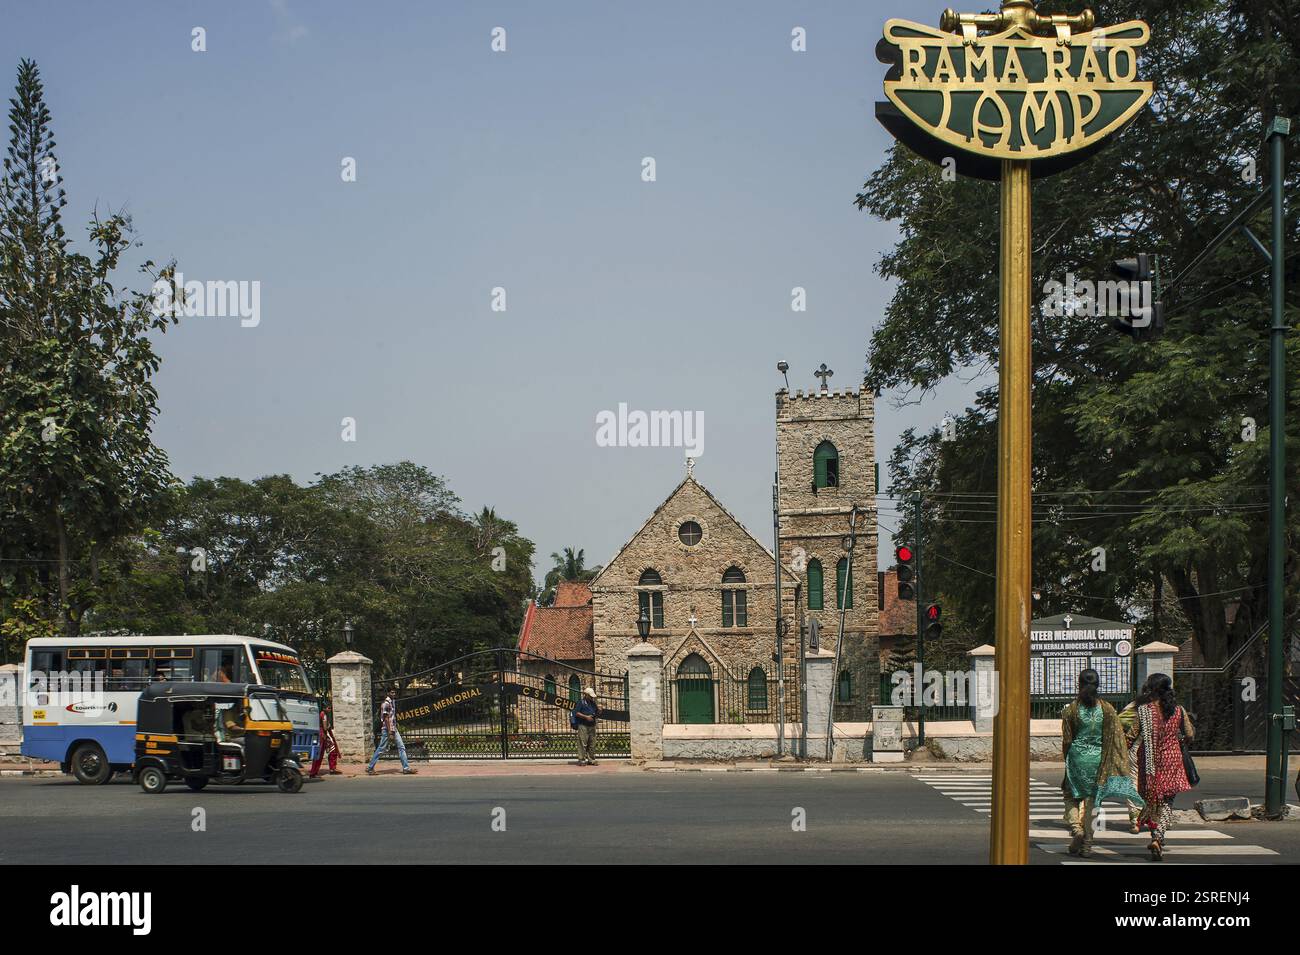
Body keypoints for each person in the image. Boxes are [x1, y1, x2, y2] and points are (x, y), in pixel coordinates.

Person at [1060, 668, 1143, 857]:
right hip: (1099, 760)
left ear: (1079, 685)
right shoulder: (1107, 709)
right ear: (1098, 686)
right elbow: (1117, 739)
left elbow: (1067, 740)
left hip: (1077, 758)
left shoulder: (1071, 709)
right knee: (1093, 802)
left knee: (1071, 796)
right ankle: (1087, 845)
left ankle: (1077, 829)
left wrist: (1067, 758)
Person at [1135, 672, 1194, 861]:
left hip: (1150, 763)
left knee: (1152, 801)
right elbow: (1190, 734)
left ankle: (1155, 837)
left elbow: (1131, 735)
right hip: (1172, 761)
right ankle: (1159, 838)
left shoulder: (1144, 710)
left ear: (1152, 689)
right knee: (1168, 801)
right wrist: (1180, 740)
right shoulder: (1179, 710)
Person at [366, 689, 415, 775]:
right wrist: (389, 731)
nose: (394, 694)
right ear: (388, 693)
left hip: (393, 728)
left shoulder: (392, 702)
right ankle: (370, 767)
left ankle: (406, 768)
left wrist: (394, 727)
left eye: (395, 692)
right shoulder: (386, 703)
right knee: (381, 748)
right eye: (392, 692)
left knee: (401, 747)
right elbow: (386, 718)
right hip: (387, 730)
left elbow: (391, 717)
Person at [310, 703, 342, 777]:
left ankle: (331, 768)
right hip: (322, 736)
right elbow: (325, 727)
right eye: (329, 708)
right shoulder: (323, 715)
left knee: (332, 750)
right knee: (319, 754)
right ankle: (313, 772)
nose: (330, 710)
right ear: (324, 708)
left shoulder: (324, 714)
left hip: (323, 735)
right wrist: (328, 725)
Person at [573, 686, 599, 766]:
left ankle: (591, 759)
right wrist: (586, 717)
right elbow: (576, 713)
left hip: (592, 725)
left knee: (592, 743)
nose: (592, 697)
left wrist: (599, 711)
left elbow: (596, 714)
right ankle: (582, 760)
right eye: (590, 696)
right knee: (582, 743)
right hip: (583, 725)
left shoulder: (593, 703)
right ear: (586, 695)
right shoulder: (581, 702)